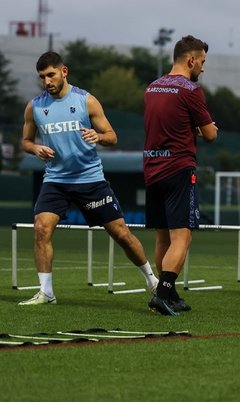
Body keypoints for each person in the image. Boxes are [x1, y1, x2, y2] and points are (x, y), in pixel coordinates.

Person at [19, 51, 158, 305]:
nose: (47, 81)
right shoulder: (35, 107)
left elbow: (112, 136)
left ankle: (152, 281)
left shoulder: (86, 101)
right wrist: (35, 148)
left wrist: (98, 136)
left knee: (121, 234)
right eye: (42, 77)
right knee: (41, 228)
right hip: (56, 180)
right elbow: (26, 141)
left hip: (90, 179)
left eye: (51, 75)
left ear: (64, 72)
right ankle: (46, 293)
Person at [143, 35, 218, 316]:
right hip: (178, 169)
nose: (203, 68)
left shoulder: (152, 87)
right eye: (202, 62)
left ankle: (171, 295)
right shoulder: (190, 90)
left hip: (152, 168)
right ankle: (162, 295)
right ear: (191, 60)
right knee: (182, 238)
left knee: (163, 238)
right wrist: (208, 128)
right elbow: (210, 134)